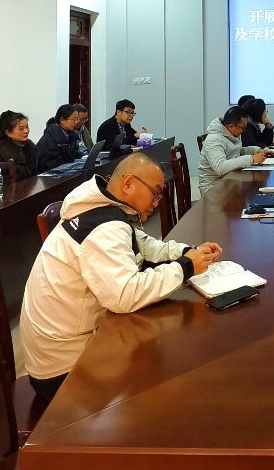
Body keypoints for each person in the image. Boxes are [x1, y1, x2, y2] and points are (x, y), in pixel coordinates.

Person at [19, 153, 222, 399]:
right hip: (64, 369)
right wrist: (186, 267)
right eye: (155, 192)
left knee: (163, 344)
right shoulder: (103, 228)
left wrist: (187, 253)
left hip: (60, 351)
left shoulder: (102, 209)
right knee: (171, 372)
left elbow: (143, 245)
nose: (157, 202)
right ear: (128, 183)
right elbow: (126, 295)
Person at [197, 106, 274, 195]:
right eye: (243, 128)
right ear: (231, 126)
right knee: (253, 194)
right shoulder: (214, 140)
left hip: (230, 181)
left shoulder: (231, 133)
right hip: (214, 188)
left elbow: (238, 151)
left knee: (256, 192)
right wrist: (251, 159)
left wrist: (257, 150)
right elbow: (220, 167)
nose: (244, 131)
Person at [0, 110, 40, 180]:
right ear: (8, 133)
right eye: (21, 129)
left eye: (27, 127)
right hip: (10, 187)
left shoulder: (29, 146)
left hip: (30, 185)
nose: (26, 131)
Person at [36, 104, 83, 172]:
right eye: (73, 119)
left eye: (77, 119)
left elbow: (75, 155)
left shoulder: (73, 135)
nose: (76, 122)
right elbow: (53, 166)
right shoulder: (51, 139)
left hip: (67, 171)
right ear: (62, 120)